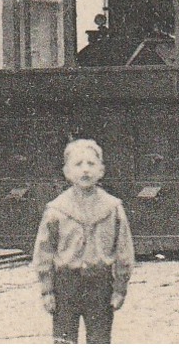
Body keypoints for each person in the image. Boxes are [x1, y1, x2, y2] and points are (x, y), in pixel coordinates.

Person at [32, 138, 135, 344]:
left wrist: (120, 288)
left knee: (99, 340)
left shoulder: (112, 207)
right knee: (64, 342)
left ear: (101, 171)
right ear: (67, 172)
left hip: (100, 284)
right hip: (66, 285)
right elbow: (44, 252)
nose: (85, 170)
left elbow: (124, 250)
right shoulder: (56, 209)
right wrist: (47, 290)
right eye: (78, 164)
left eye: (91, 164)